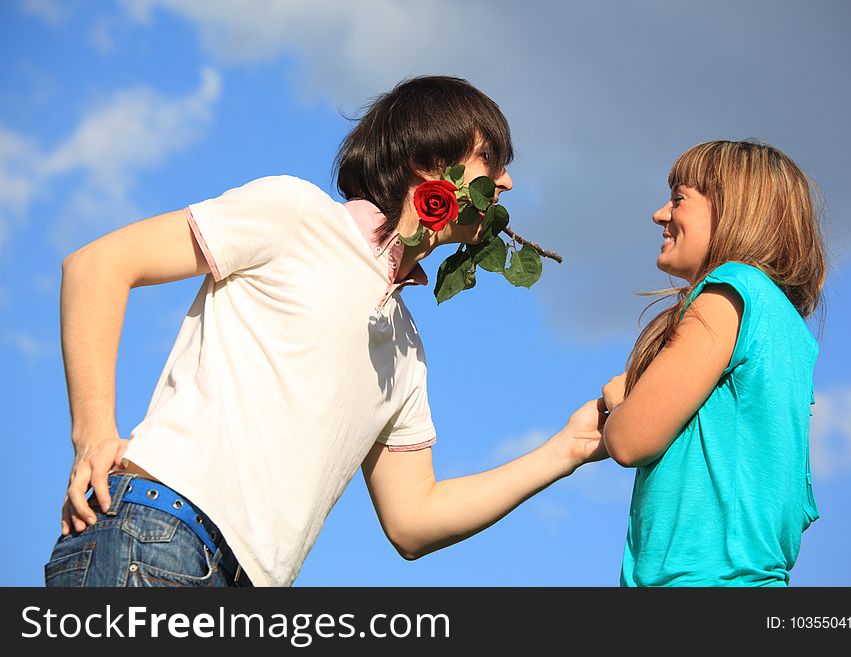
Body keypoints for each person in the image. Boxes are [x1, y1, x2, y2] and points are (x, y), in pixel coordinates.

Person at [45, 76, 607, 587]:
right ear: (432, 163)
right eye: (491, 159)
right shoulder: (296, 213)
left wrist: (569, 449)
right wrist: (94, 432)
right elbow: (97, 266)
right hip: (160, 531)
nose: (507, 181)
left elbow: (413, 520)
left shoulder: (406, 347)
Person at [600, 140, 825, 586]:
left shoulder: (728, 290)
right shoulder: (787, 328)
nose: (660, 214)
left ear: (735, 210)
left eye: (679, 198)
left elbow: (629, 442)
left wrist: (621, 404)